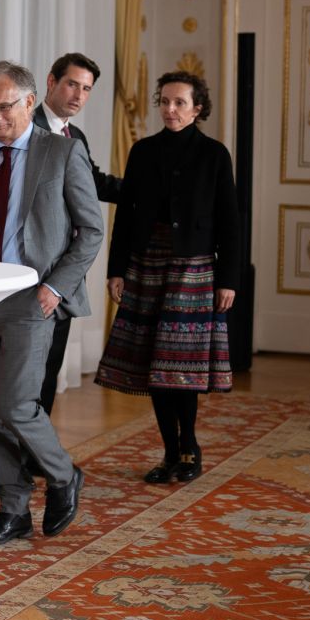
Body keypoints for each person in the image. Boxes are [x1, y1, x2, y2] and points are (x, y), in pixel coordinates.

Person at [0, 61, 103, 546]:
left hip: (30, 297)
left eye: (4, 108)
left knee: (16, 405)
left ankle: (63, 475)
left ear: (30, 102)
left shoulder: (62, 153)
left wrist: (55, 287)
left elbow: (91, 230)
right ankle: (13, 509)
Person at [95, 70, 237, 484]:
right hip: (146, 266)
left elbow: (231, 221)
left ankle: (190, 448)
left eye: (180, 103)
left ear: (197, 108)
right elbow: (127, 215)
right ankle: (169, 452)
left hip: (195, 270)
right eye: (165, 101)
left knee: (181, 368)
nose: (170, 109)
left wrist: (228, 279)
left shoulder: (215, 155)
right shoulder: (142, 151)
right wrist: (117, 269)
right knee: (154, 367)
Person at [31, 52, 122, 421]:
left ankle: (38, 449)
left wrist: (148, 190)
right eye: (72, 84)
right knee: (26, 374)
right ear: (51, 82)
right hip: (30, 267)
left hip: (65, 268)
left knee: (50, 368)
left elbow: (94, 184)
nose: (79, 96)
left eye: (86, 89)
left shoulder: (76, 136)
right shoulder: (25, 127)